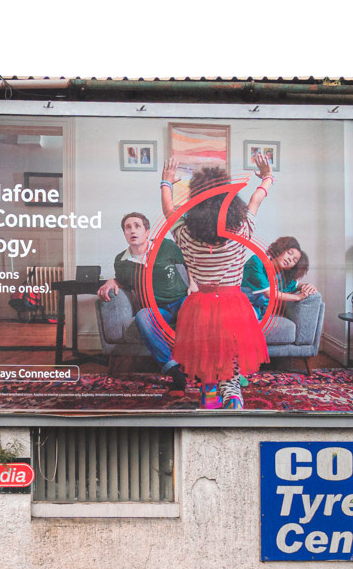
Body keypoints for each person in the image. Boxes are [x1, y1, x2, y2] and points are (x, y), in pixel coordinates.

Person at [160, 154, 274, 409]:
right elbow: (257, 199)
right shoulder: (243, 229)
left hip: (200, 305)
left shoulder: (184, 234)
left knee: (206, 355)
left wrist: (166, 182)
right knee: (229, 355)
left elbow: (168, 210)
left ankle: (209, 395)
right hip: (233, 304)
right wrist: (267, 177)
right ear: (230, 202)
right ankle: (232, 395)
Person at [97, 211, 190, 390]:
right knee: (142, 317)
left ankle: (198, 365)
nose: (132, 230)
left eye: (137, 226)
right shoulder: (121, 260)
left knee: (198, 310)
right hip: (156, 309)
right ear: (124, 233)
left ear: (147, 232)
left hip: (180, 301)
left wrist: (192, 283)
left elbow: (189, 262)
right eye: (128, 227)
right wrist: (112, 281)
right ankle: (173, 370)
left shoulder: (166, 246)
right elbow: (123, 281)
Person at [242, 236, 319, 320]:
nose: (290, 259)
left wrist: (308, 286)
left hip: (256, 311)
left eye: (294, 260)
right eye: (289, 253)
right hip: (239, 303)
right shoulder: (257, 261)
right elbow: (268, 293)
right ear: (280, 250)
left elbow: (296, 285)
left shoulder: (283, 279)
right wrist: (298, 297)